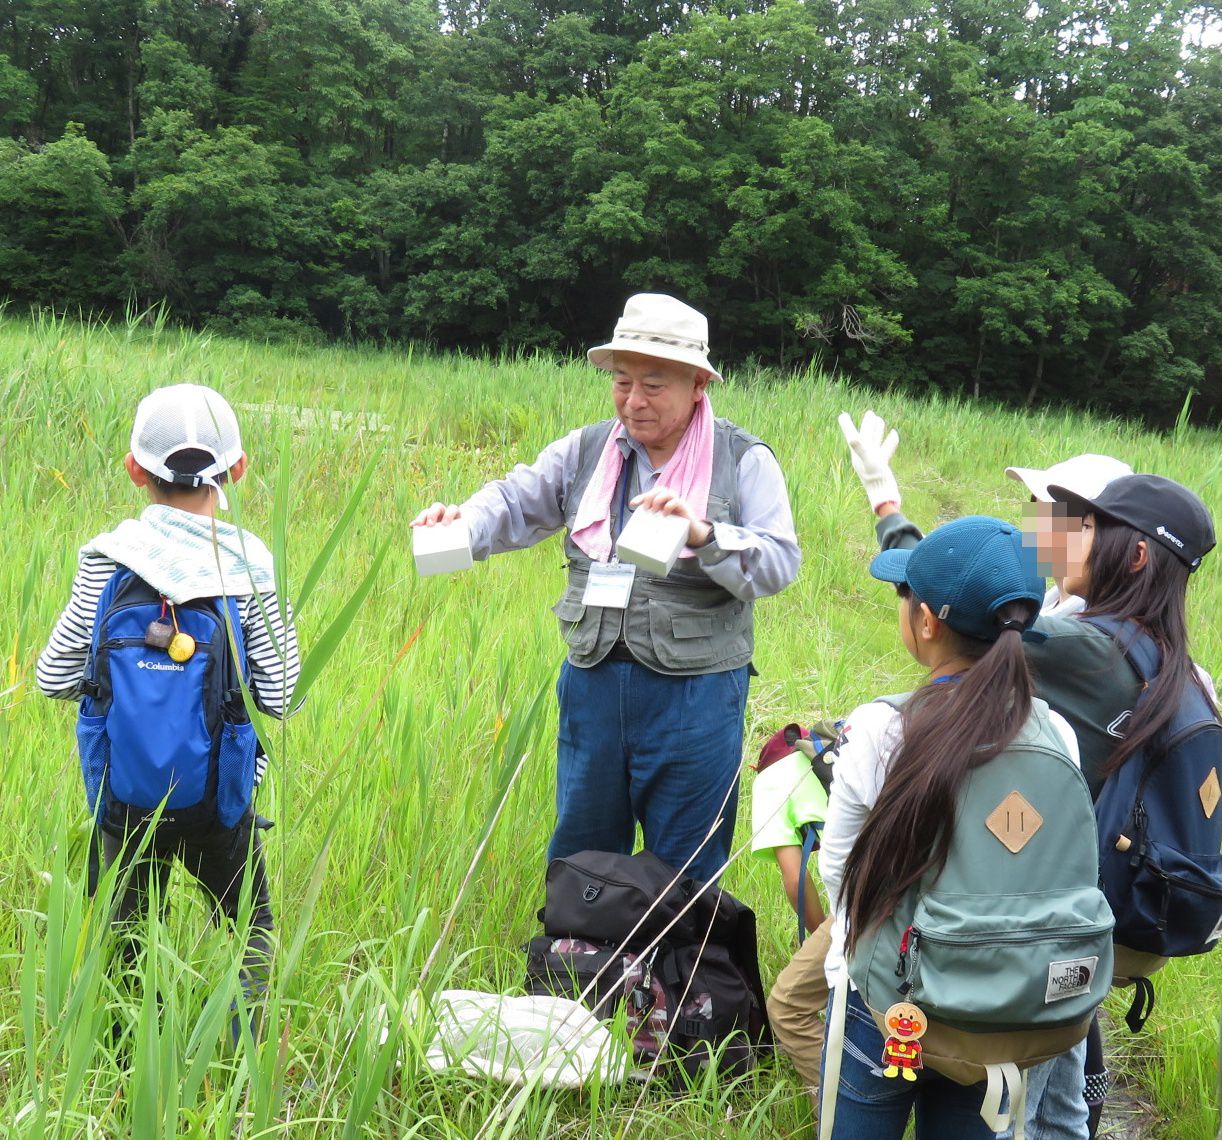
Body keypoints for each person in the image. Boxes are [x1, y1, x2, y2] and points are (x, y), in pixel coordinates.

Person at [839, 411, 1216, 1138]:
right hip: (1119, 912)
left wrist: (891, 514)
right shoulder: (1183, 667)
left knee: (1028, 1098)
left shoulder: (1083, 649)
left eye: (1080, 525)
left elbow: (964, 612)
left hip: (1047, 915)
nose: (1052, 539)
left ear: (1132, 555)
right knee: (1061, 1089)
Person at [411, 293, 800, 882]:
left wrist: (702, 533)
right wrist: (458, 522)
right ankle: (578, 968)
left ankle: (676, 972)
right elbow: (515, 501)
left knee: (686, 853)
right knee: (584, 843)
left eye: (653, 384)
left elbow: (778, 562)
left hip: (696, 690)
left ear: (698, 383)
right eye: (622, 382)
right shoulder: (587, 450)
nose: (633, 400)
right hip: (592, 678)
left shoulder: (743, 459)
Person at [37, 383, 300, 1027]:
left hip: (122, 799)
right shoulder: (249, 566)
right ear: (236, 468)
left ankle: (124, 1067)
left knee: (124, 945)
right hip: (220, 800)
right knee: (249, 934)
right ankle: (239, 1064)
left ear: (135, 470)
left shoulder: (108, 559)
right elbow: (282, 694)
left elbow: (52, 676)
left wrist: (126, 685)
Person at [817, 515, 1083, 1137]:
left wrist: (845, 965)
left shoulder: (883, 730)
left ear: (928, 621)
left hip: (887, 1008)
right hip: (1004, 1010)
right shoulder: (1056, 734)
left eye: (905, 595)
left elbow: (840, 868)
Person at [750, 724, 832, 1113]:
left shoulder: (768, 783)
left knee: (787, 1005)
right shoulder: (824, 759)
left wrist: (824, 937)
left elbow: (794, 876)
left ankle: (833, 1110)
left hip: (873, 905)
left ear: (756, 766)